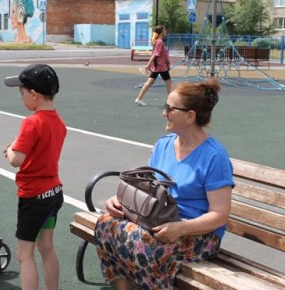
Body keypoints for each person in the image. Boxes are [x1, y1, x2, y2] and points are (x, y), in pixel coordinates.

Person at [96, 78, 234, 290]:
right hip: (159, 221)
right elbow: (149, 188)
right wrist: (121, 201)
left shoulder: (214, 156)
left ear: (190, 116)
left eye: (170, 109)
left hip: (198, 235)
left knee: (143, 243)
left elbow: (220, 214)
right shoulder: (163, 145)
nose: (164, 113)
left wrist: (182, 228)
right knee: (106, 224)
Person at [3, 64, 66, 290]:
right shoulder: (58, 122)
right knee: (47, 247)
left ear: (34, 94)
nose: (22, 99)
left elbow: (16, 159)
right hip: (53, 193)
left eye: (22, 94)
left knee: (24, 255)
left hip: (34, 197)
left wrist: (10, 148)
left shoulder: (31, 122)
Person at [135, 25, 172, 106]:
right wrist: (148, 65)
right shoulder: (160, 42)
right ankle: (170, 102)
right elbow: (155, 54)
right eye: (165, 30)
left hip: (157, 66)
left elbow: (155, 54)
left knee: (149, 82)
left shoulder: (158, 41)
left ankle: (139, 98)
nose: (166, 31)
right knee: (169, 83)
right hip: (161, 67)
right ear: (161, 32)